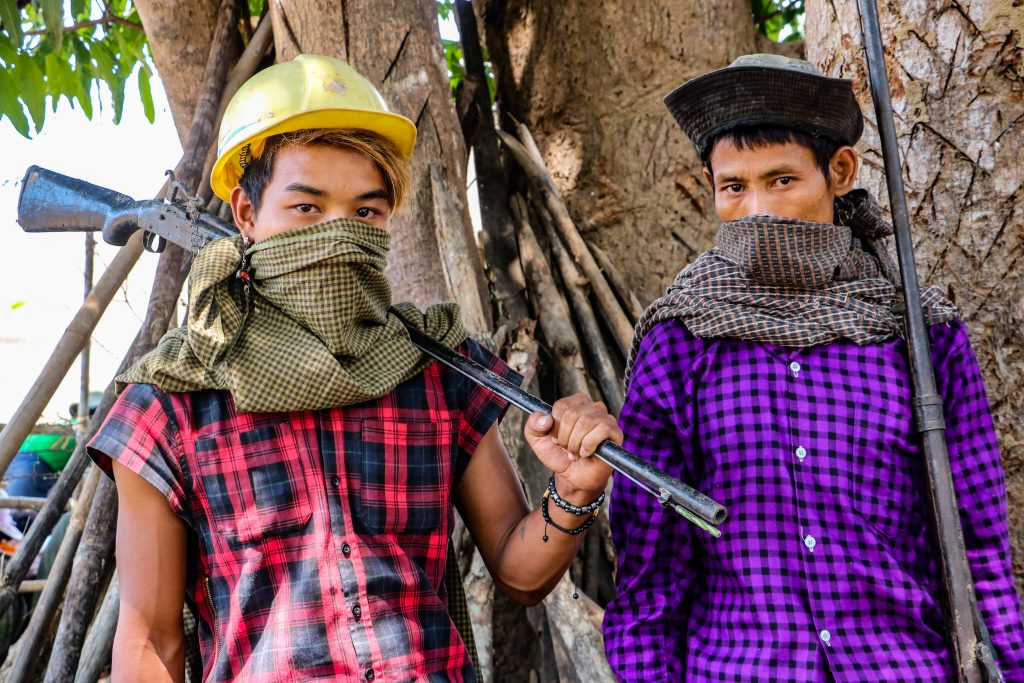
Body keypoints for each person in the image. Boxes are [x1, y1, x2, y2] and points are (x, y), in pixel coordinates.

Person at [88, 54, 619, 682]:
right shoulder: (171, 402)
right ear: (246, 215)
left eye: (365, 212)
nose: (340, 235)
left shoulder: (436, 370)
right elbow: (149, 642)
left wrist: (575, 491)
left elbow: (517, 571)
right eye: (307, 208)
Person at [602, 54, 1024, 681]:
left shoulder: (920, 334)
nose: (757, 212)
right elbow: (650, 570)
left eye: (781, 180)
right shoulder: (681, 338)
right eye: (733, 187)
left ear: (840, 171)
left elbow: (980, 544)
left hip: (903, 668)